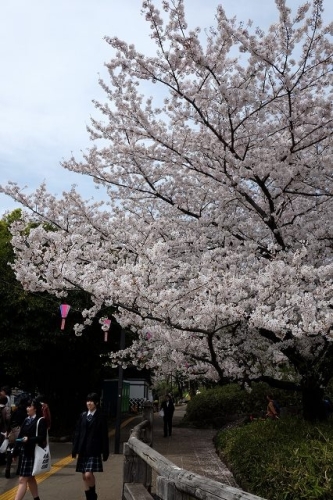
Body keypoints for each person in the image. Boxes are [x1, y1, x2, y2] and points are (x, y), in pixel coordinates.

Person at [72, 393, 109, 500]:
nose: (89, 403)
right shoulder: (83, 415)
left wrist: (105, 451)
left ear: (96, 403)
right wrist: (75, 449)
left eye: (91, 401)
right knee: (84, 476)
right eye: (87, 401)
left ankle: (92, 495)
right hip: (83, 449)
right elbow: (77, 433)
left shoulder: (100, 416)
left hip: (94, 449)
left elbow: (104, 435)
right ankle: (90, 496)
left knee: (88, 475)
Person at [11, 399, 47, 500]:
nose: (27, 408)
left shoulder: (40, 421)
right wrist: (15, 452)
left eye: (29, 406)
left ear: (35, 408)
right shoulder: (26, 420)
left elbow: (42, 437)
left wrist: (29, 439)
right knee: (30, 478)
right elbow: (20, 436)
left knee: (22, 479)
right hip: (24, 453)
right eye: (27, 406)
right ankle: (37, 498)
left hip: (32, 453)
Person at [4, 395, 30, 478]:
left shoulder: (16, 410)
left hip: (13, 432)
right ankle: (19, 469)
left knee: (10, 450)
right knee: (21, 451)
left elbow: (10, 421)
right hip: (21, 434)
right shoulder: (26, 412)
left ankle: (7, 468)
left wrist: (8, 431)